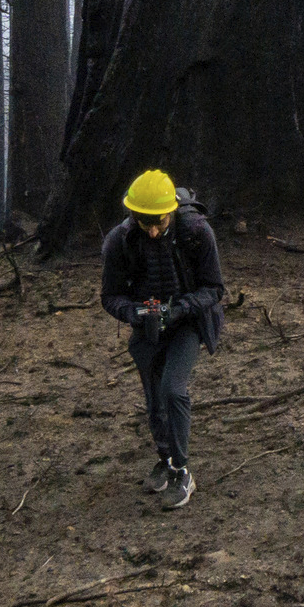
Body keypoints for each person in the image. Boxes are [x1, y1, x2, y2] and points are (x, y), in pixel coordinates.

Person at [99, 169, 224, 511]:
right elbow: (109, 295)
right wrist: (134, 313)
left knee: (173, 389)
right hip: (147, 329)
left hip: (188, 323)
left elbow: (215, 288)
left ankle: (183, 472)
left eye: (159, 221)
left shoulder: (196, 232)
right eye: (144, 222)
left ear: (172, 211)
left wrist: (180, 308)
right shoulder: (119, 241)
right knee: (154, 398)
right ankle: (166, 459)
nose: (152, 230)